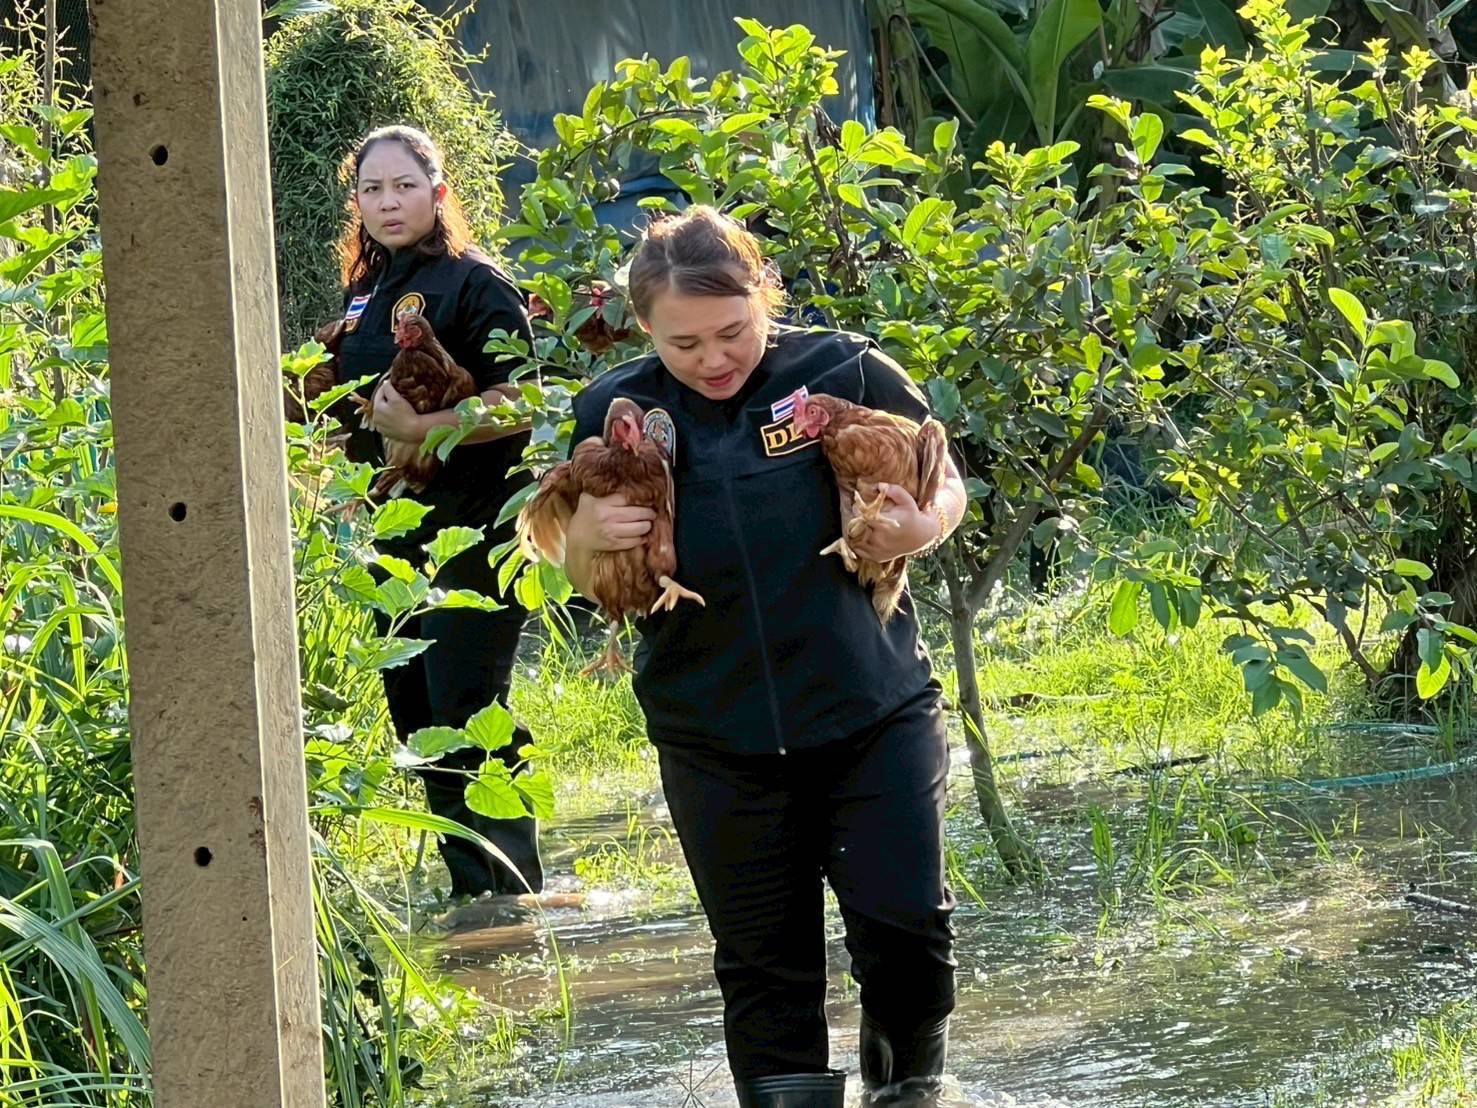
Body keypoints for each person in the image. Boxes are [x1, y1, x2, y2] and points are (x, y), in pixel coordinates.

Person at [561, 206, 967, 1107]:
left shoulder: (841, 368)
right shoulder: (615, 413)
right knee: (762, 965)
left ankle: (911, 1088)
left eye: (731, 332)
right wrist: (583, 541)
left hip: (869, 710)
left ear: (764, 297)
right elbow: (579, 565)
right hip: (714, 734)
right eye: (683, 343)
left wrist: (920, 525)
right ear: (643, 330)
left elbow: (946, 487)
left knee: (905, 930)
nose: (711, 359)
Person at [331, 124, 543, 898]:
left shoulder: (475, 283)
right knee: (416, 710)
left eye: (404, 186)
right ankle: (472, 892)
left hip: (480, 519)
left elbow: (527, 399)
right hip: (398, 530)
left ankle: (518, 890)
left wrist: (423, 429)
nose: (388, 202)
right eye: (372, 189)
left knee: (467, 701)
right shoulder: (367, 291)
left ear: (439, 193)